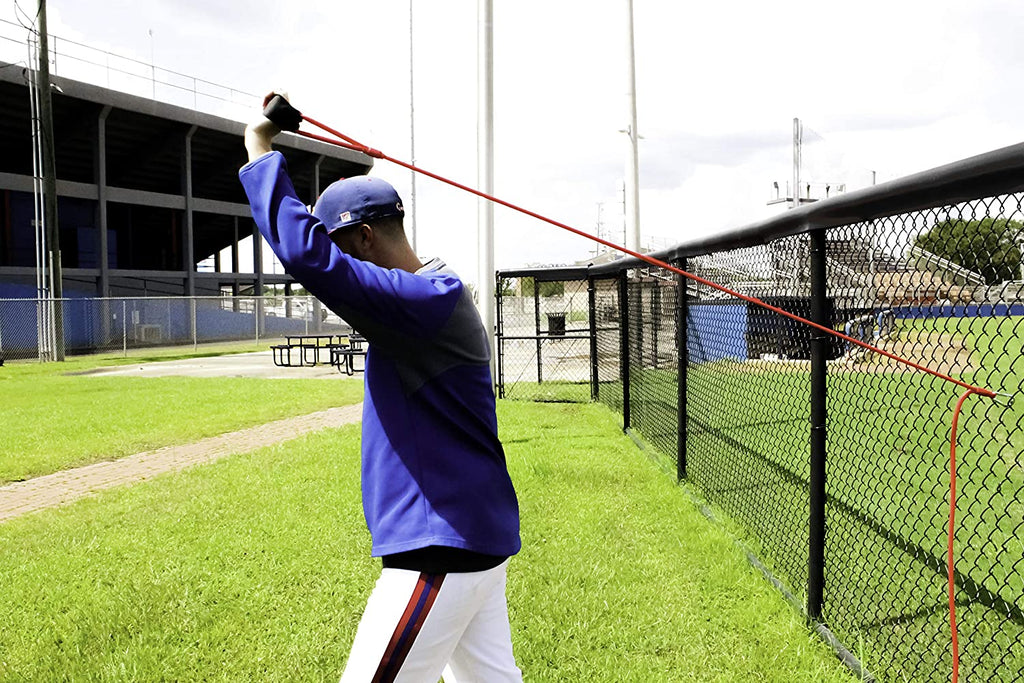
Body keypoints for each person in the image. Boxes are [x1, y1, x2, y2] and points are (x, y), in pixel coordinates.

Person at [240, 109, 522, 682]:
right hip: (474, 540)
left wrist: (259, 144)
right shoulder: (433, 295)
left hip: (440, 547)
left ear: (364, 237)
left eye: (341, 246)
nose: (338, 262)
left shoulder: (422, 302)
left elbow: (307, 258)